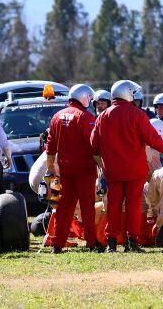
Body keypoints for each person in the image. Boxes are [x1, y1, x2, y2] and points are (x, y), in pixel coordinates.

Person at [90, 80, 163, 253]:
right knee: (134, 206)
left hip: (112, 171)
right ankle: (132, 241)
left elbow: (93, 144)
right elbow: (153, 140)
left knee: (113, 206)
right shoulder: (137, 115)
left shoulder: (103, 116)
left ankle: (112, 242)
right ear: (127, 93)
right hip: (134, 170)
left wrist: (103, 162)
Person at [46, 84, 100, 254]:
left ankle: (57, 243)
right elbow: (94, 147)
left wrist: (50, 167)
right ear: (84, 97)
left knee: (63, 208)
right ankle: (91, 243)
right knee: (87, 207)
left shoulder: (57, 116)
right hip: (84, 169)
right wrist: (102, 166)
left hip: (65, 169)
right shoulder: (85, 117)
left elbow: (50, 145)